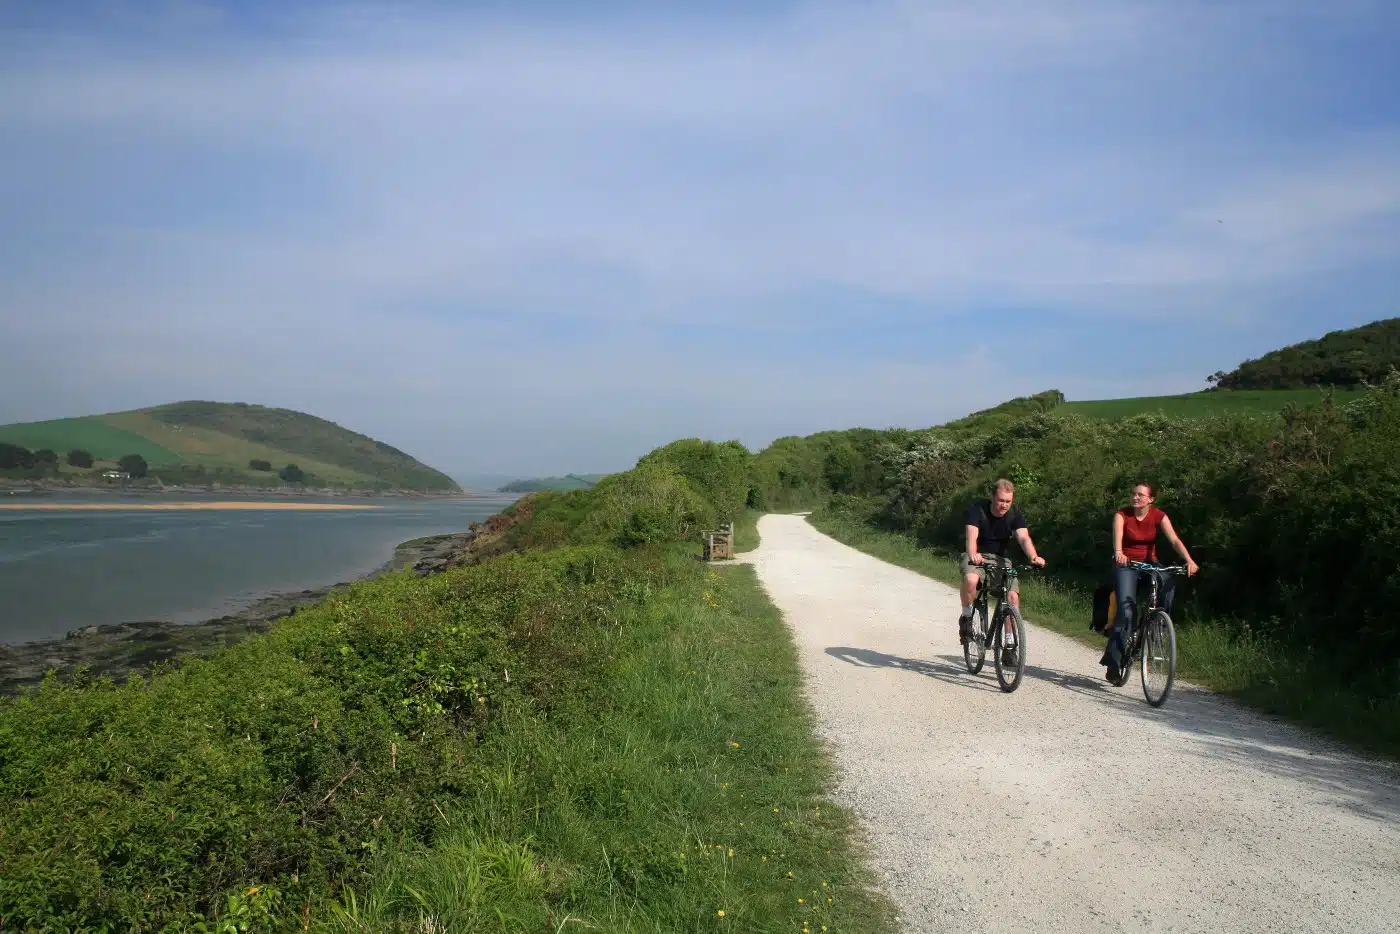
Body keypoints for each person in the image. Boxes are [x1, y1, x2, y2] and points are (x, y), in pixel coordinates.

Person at [1100, 482, 1199, 680]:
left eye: (1140, 495)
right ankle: (1113, 665)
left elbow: (1174, 540)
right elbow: (1118, 537)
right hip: (1126, 564)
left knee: (1168, 580)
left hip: (1149, 564)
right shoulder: (1122, 515)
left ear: (1151, 499)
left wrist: (1189, 560)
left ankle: (1158, 623)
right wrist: (1119, 552)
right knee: (1127, 612)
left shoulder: (1159, 516)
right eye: (1133, 494)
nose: (1135, 497)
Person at [959, 478, 1046, 653]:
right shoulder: (978, 509)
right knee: (971, 580)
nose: (1004, 505)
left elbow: (1023, 538)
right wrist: (973, 553)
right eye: (1000, 500)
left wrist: (1034, 556)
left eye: (1008, 501)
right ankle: (966, 618)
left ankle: (1010, 645)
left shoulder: (1014, 515)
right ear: (993, 497)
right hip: (977, 556)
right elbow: (971, 536)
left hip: (1001, 559)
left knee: (1012, 597)